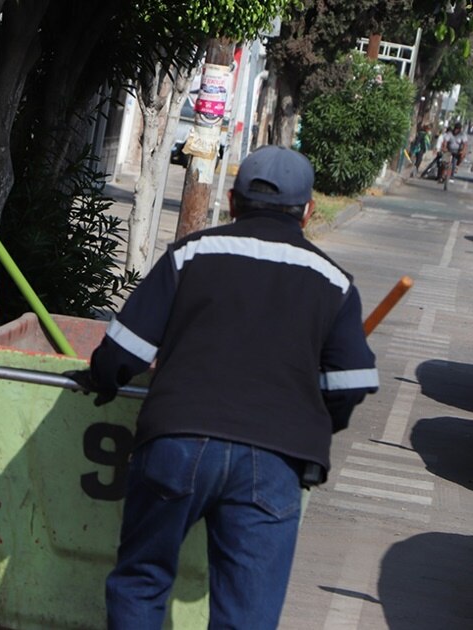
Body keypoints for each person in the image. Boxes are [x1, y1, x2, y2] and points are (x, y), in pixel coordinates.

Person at [67, 145, 379, 629]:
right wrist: (315, 420)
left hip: (177, 440)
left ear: (232, 202)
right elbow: (350, 383)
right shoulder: (334, 282)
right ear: (308, 211)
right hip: (275, 458)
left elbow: (121, 353)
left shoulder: (191, 255)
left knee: (142, 580)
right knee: (247, 613)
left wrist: (102, 380)